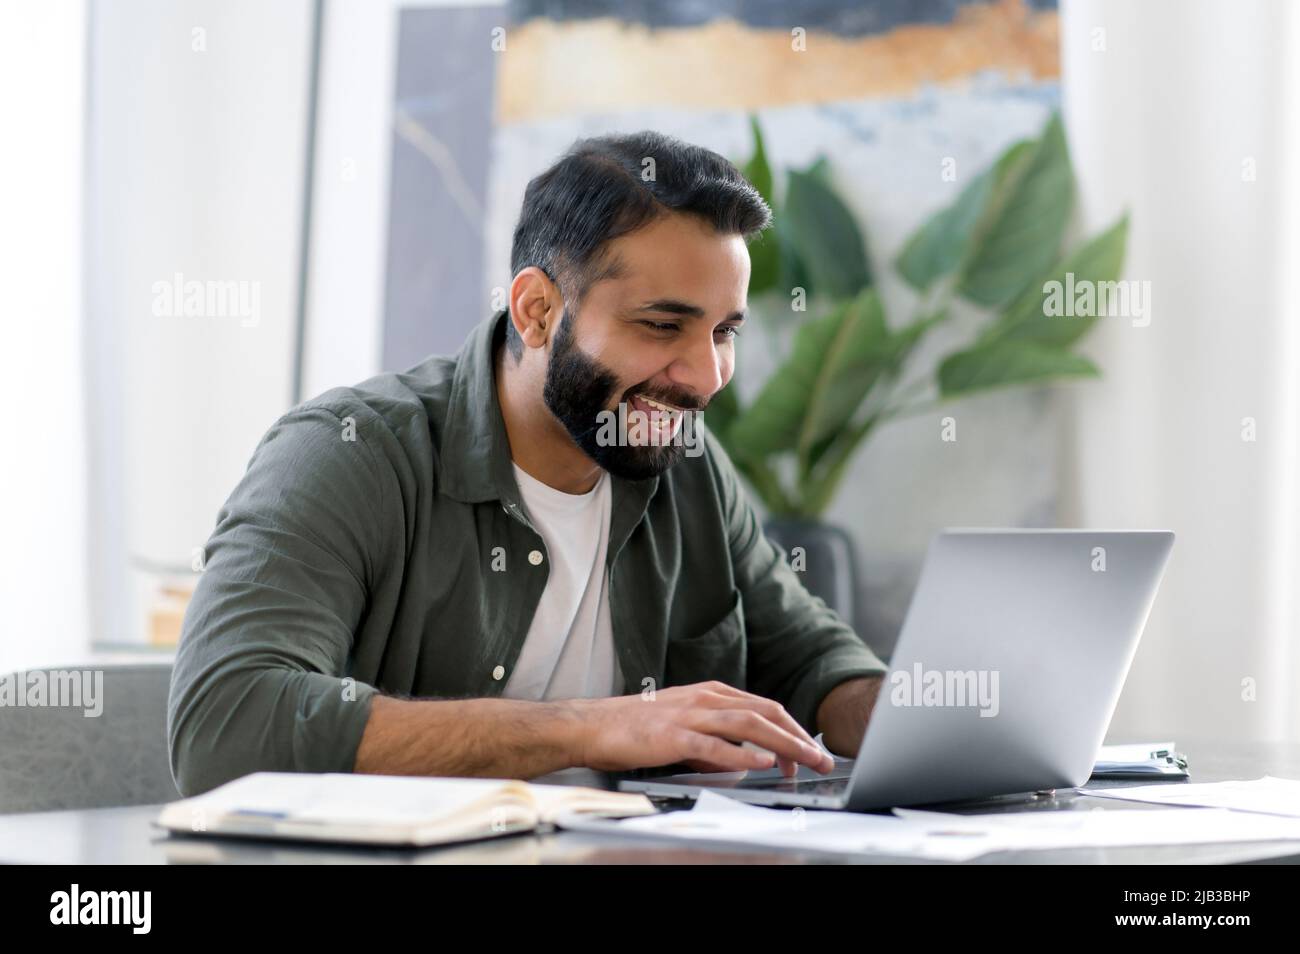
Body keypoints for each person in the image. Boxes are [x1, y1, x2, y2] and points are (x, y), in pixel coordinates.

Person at [167, 130, 887, 796]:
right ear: (537, 310)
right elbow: (225, 725)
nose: (704, 377)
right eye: (662, 326)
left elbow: (811, 663)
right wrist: (598, 727)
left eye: (723, 331)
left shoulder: (686, 465)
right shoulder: (348, 454)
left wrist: (939, 713)